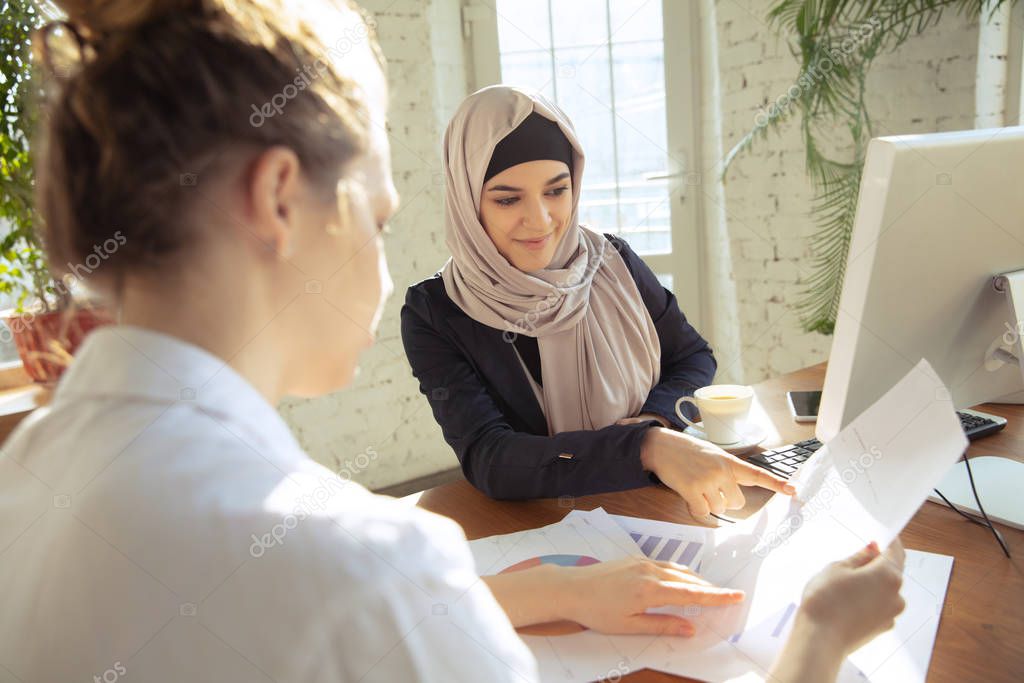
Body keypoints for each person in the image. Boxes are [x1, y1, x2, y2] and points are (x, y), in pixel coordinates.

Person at [0, 1, 904, 681]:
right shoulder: (358, 566)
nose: (388, 268)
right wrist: (818, 638)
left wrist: (548, 587)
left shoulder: (26, 475)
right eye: (381, 220)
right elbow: (370, 574)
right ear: (280, 201)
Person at [401, 86, 793, 517]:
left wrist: (655, 423)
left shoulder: (612, 261)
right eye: (508, 198)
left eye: (556, 191)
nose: (541, 219)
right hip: (543, 524)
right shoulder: (436, 311)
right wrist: (643, 447)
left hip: (656, 502)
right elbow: (492, 459)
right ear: (466, 199)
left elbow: (692, 357)